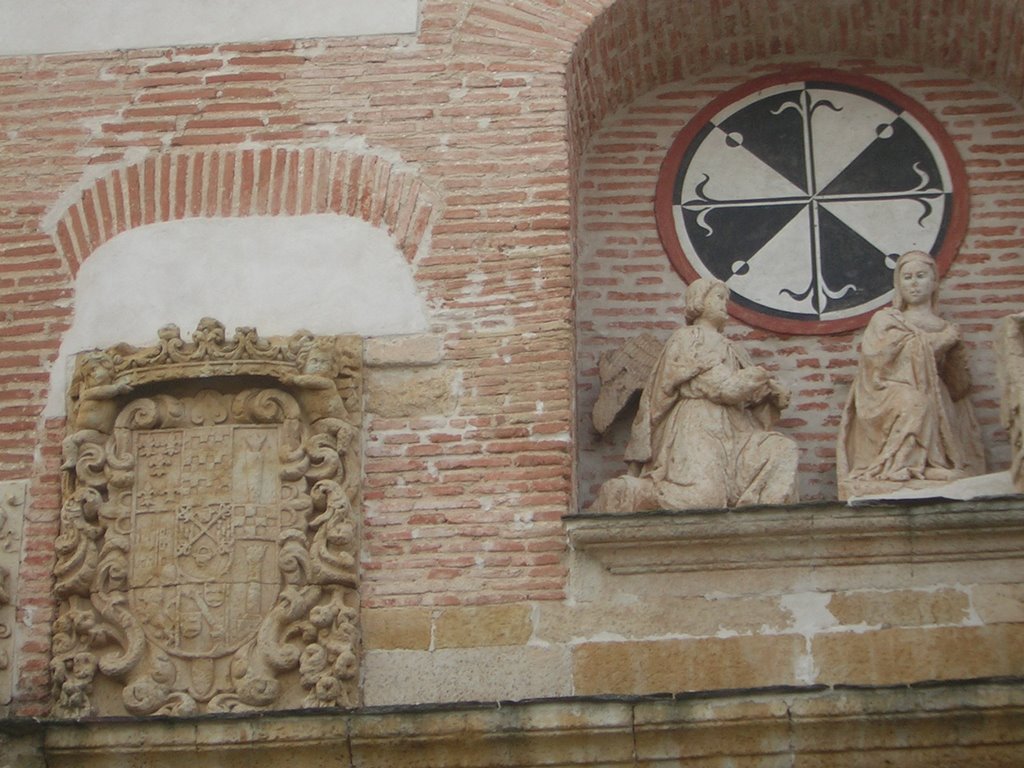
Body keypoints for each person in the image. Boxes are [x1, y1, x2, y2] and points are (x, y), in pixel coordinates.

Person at [592, 277, 799, 511]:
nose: (724, 304)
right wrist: (757, 377)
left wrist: (772, 395)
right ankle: (629, 493)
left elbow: (750, 395)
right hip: (700, 423)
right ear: (699, 301)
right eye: (718, 297)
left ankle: (760, 519)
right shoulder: (688, 338)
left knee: (781, 449)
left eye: (726, 300)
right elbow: (720, 387)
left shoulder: (733, 348)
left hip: (738, 429)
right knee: (705, 501)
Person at [836, 250, 985, 499]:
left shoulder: (946, 327)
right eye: (907, 277)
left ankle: (934, 463)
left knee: (930, 402)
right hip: (888, 392)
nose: (914, 283)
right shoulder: (887, 320)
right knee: (915, 402)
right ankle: (898, 465)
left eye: (921, 276)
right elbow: (878, 362)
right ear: (898, 284)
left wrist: (955, 350)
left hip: (935, 393)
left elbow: (959, 386)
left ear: (934, 282)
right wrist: (940, 341)